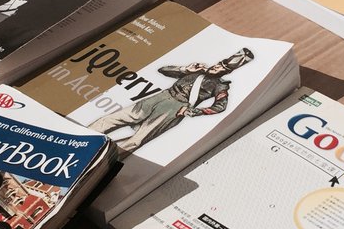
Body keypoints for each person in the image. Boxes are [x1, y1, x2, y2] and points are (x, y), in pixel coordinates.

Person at [89, 48, 255, 153]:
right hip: (160, 96)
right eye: (219, 63)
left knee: (136, 140)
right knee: (114, 118)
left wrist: (192, 111)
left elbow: (220, 106)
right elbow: (163, 70)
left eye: (222, 68)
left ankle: (100, 159)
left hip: (175, 109)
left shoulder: (220, 86)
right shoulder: (196, 69)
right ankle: (85, 137)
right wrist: (184, 69)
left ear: (227, 72)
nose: (217, 67)